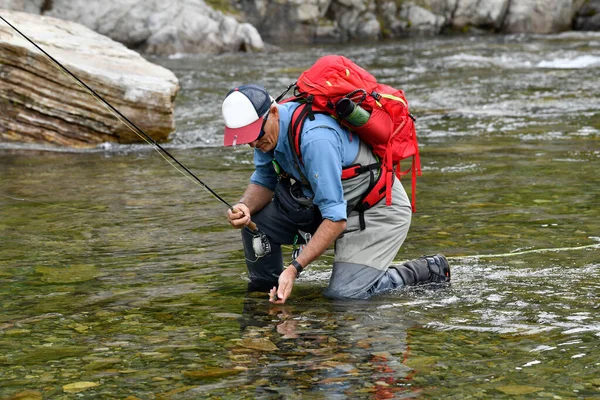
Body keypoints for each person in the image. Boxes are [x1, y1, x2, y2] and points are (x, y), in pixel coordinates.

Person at [222, 83, 450, 304]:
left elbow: (336, 219)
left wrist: (294, 269)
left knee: (344, 296)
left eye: (255, 134)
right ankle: (268, 293)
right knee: (255, 224)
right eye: (246, 138)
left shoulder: (316, 139)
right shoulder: (266, 136)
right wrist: (245, 206)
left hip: (374, 210)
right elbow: (264, 179)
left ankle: (424, 270)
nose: (252, 142)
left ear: (273, 112)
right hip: (327, 207)